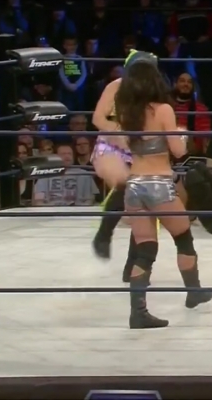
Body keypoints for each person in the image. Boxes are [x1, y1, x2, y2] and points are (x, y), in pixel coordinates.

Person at [116, 54, 212, 329]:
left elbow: (125, 146)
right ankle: (193, 291)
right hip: (158, 183)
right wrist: (180, 133)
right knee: (184, 238)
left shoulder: (126, 113)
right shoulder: (163, 110)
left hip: (134, 185)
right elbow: (179, 151)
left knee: (145, 250)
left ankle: (138, 312)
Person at [90, 51, 146, 260]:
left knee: (141, 204)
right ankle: (103, 236)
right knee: (125, 184)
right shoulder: (115, 87)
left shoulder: (151, 93)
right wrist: (119, 133)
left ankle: (135, 263)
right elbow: (98, 119)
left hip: (138, 148)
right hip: (111, 144)